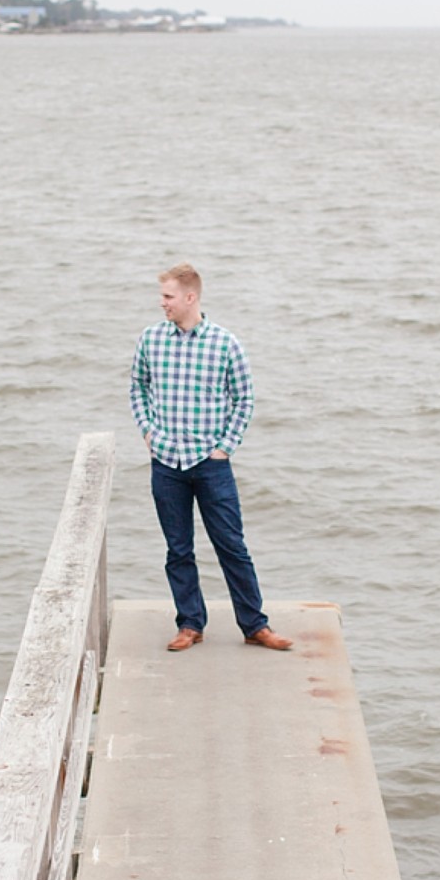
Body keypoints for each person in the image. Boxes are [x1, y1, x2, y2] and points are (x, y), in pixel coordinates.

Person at [130, 263, 292, 653]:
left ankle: (255, 625)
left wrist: (225, 448)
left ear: (190, 297)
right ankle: (190, 624)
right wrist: (149, 432)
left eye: (168, 297)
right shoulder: (151, 340)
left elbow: (245, 399)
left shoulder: (225, 343)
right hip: (167, 461)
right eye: (162, 296)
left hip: (210, 462)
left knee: (231, 545)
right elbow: (138, 386)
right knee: (178, 549)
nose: (162, 303)